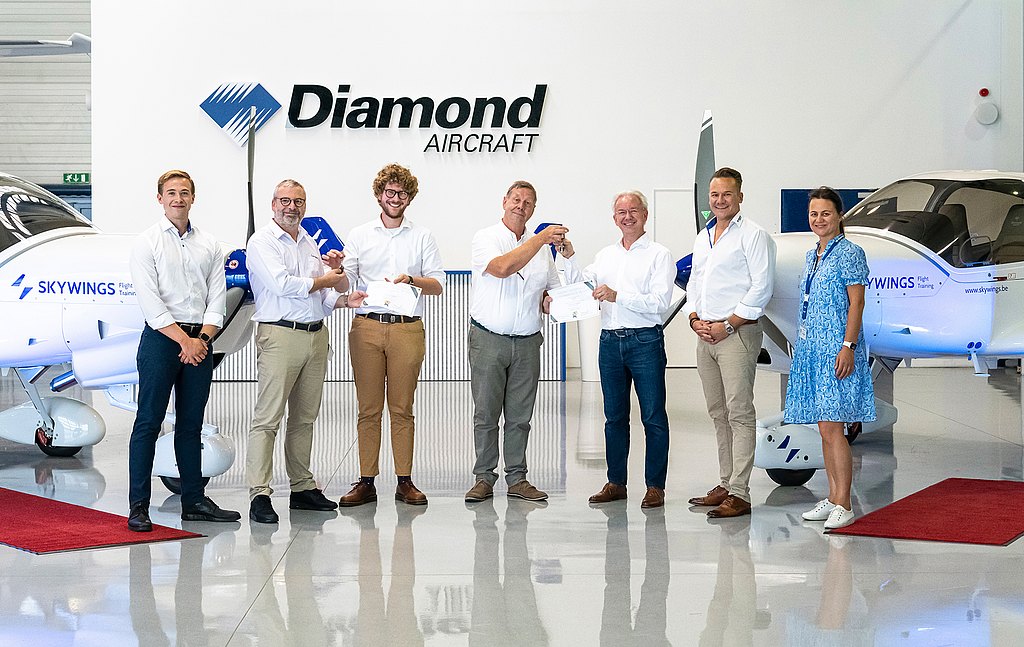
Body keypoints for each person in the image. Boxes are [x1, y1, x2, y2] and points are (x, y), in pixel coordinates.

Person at [127, 169, 240, 531]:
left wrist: (202, 341)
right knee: (149, 423)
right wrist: (185, 341)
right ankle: (139, 506)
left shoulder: (210, 244)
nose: (178, 198)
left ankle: (193, 500)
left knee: (191, 425)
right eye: (171, 192)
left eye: (185, 192)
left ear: (193, 198)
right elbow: (151, 303)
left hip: (200, 343)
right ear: (159, 198)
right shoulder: (146, 243)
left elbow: (217, 299)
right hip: (162, 341)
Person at [245, 179, 364, 524]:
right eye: (285, 200)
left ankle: (301, 487)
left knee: (304, 419)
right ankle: (260, 494)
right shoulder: (262, 242)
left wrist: (342, 298)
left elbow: (322, 297)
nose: (291, 207)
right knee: (267, 419)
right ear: (273, 204)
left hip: (315, 335)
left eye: (298, 201)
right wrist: (329, 280)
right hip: (280, 336)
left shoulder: (309, 242)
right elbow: (283, 285)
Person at [337, 164, 445, 507]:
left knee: (402, 408)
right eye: (390, 193)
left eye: (402, 194)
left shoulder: (422, 236)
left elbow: (438, 284)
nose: (395, 199)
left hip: (406, 328)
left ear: (409, 198)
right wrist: (336, 268)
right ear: (379, 195)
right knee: (368, 408)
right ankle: (366, 481)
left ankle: (405, 481)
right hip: (366, 326)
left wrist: (411, 280)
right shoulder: (359, 234)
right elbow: (347, 279)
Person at [560, 191, 675, 509]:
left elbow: (659, 302)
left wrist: (617, 296)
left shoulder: (659, 255)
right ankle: (616, 482)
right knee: (614, 418)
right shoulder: (605, 256)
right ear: (614, 218)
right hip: (610, 342)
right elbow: (581, 287)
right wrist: (569, 257)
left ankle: (655, 486)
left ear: (645, 215)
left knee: (653, 417)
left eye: (634, 211)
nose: (628, 216)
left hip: (645, 342)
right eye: (621, 212)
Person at [465, 180, 572, 503]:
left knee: (520, 417)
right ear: (504, 202)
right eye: (516, 199)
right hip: (489, 340)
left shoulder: (543, 253)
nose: (520, 206)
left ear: (533, 209)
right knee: (486, 414)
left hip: (527, 342)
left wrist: (555, 301)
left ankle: (517, 479)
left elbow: (551, 291)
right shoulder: (486, 238)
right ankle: (484, 477)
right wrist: (541, 238)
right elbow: (502, 268)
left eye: (527, 202)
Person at [686, 167, 777, 518]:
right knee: (717, 412)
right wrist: (695, 319)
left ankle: (740, 492)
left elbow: (761, 287)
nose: (720, 200)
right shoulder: (703, 237)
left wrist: (728, 323)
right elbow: (695, 282)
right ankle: (725, 483)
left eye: (727, 194)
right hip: (705, 333)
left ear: (740, 196)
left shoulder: (753, 235)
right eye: (714, 195)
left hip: (736, 333)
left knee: (739, 412)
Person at [785, 187, 875, 530]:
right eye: (813, 214)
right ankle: (833, 496)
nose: (818, 220)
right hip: (813, 350)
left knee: (835, 428)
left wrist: (848, 346)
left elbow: (857, 303)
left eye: (825, 213)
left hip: (837, 349)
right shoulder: (813, 254)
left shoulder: (851, 253)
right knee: (824, 428)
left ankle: (845, 502)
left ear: (839, 215)